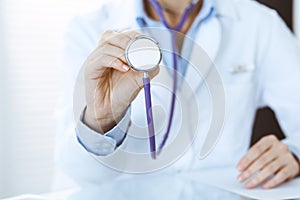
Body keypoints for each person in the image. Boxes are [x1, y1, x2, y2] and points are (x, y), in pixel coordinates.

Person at [55, 0, 300, 198]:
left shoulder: (259, 23)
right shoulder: (88, 29)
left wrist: (294, 153)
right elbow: (80, 171)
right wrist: (104, 117)